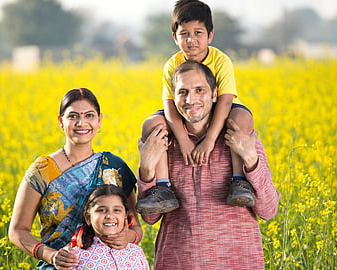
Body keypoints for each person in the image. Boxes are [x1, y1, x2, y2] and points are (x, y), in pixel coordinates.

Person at [137, 61, 279, 269]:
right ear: (173, 99)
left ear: (215, 95)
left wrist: (250, 158)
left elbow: (268, 210)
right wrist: (147, 169)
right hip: (177, 263)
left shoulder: (239, 137)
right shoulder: (162, 139)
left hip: (237, 262)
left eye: (199, 90)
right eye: (182, 92)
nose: (190, 99)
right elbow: (150, 217)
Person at [136, 0, 256, 214]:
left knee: (243, 120)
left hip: (221, 108)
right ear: (175, 37)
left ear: (210, 35)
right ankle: (163, 188)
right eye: (184, 34)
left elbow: (226, 100)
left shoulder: (221, 61)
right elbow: (170, 105)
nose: (191, 40)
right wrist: (182, 140)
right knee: (151, 124)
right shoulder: (172, 64)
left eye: (198, 33)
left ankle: (239, 181)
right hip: (184, 113)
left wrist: (210, 140)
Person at [8, 88, 143, 270]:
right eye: (73, 116)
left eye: (89, 116)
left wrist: (128, 237)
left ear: (99, 120)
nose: (82, 123)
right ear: (60, 121)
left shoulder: (114, 167)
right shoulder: (43, 170)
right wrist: (52, 256)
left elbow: (135, 227)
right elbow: (17, 230)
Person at [71, 184, 150, 269]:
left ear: (125, 216)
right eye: (101, 210)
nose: (109, 216)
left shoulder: (136, 252)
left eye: (116, 210)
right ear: (88, 217)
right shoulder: (74, 257)